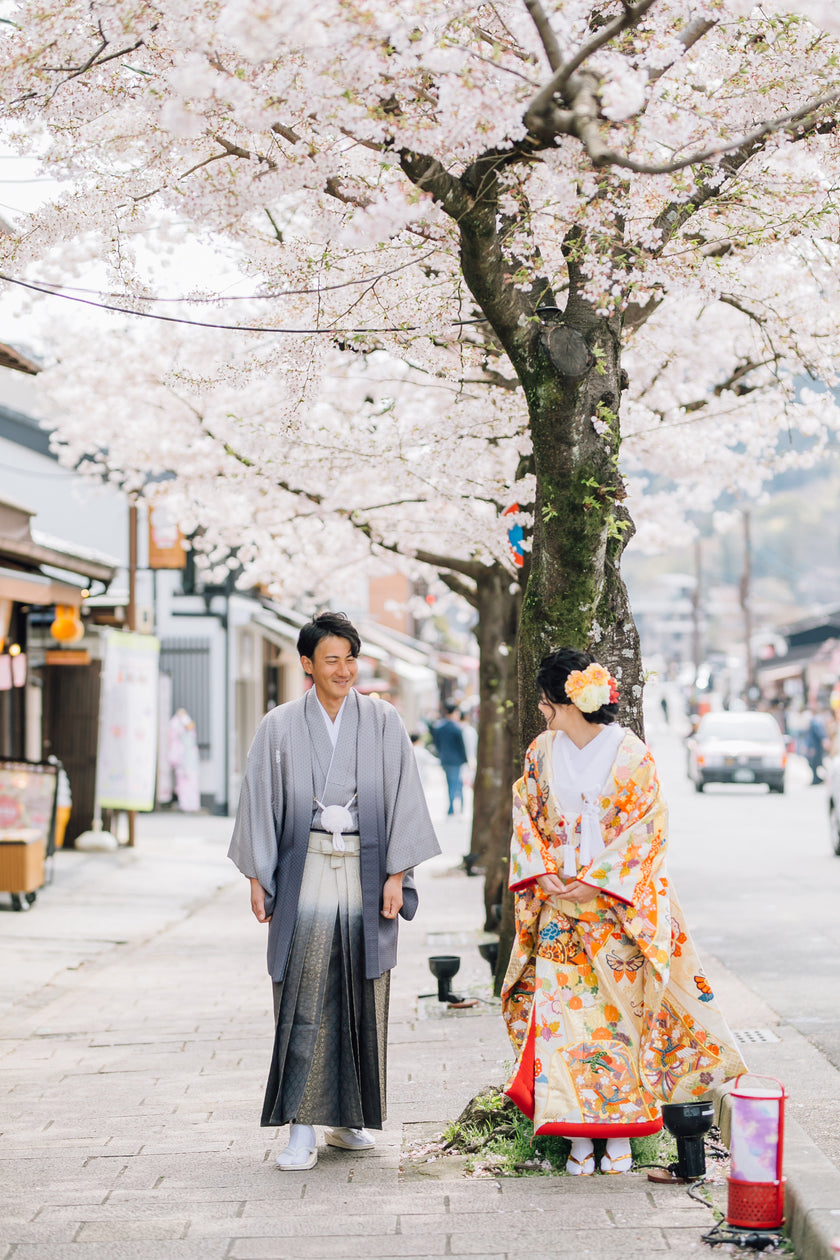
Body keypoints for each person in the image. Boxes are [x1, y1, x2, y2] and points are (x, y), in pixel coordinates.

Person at [501, 647, 747, 1176]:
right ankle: (575, 1135)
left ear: (564, 700)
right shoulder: (541, 751)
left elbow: (648, 828)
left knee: (620, 1022)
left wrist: (594, 883)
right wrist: (542, 870)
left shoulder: (631, 753)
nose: (543, 712)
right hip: (558, 904)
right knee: (564, 1021)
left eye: (545, 703)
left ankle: (621, 1136)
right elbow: (527, 813)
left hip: (616, 909)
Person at [228, 611, 441, 1171]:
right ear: (307, 665)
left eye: (350, 658)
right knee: (301, 994)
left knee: (359, 993)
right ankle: (301, 1126)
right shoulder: (278, 726)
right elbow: (259, 802)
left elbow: (403, 797)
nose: (344, 669)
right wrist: (258, 877)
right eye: (332, 659)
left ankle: (348, 1120)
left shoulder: (383, 720)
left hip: (368, 873)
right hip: (306, 872)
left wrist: (397, 875)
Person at [430, 701, 468, 815]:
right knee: (455, 783)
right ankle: (453, 808)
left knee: (449, 783)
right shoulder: (456, 728)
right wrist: (465, 759)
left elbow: (436, 743)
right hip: (456, 760)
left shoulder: (439, 728)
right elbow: (461, 746)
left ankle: (452, 807)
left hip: (445, 759)